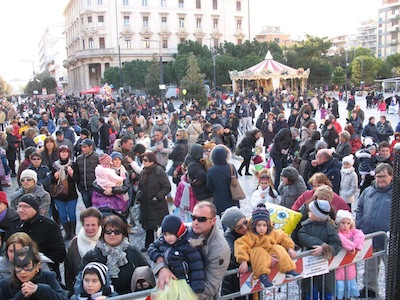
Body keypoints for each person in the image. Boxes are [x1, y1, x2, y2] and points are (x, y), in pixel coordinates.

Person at [156, 202, 230, 300]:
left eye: (201, 219)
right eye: (193, 217)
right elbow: (157, 247)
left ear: (213, 221)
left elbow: (210, 285)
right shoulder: (183, 230)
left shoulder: (220, 248)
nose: (195, 222)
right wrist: (161, 268)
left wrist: (183, 297)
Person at [81, 214, 149, 295]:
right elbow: (80, 280)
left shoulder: (133, 251)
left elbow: (146, 271)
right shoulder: (92, 255)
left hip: (130, 296)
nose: (112, 235)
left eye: (117, 232)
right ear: (103, 234)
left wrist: (144, 282)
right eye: (108, 232)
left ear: (123, 233)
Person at [235, 204, 299, 288]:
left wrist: (290, 248)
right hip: (258, 256)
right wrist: (243, 261)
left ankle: (288, 269)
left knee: (278, 248)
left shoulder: (272, 232)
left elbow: (283, 237)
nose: (262, 228)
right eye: (259, 225)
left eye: (264, 225)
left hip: (270, 251)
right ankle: (263, 276)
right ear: (254, 225)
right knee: (258, 250)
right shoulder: (250, 235)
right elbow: (241, 245)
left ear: (268, 225)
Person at [7, 193, 66, 280]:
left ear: (35, 208)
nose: (21, 210)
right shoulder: (15, 224)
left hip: (44, 275)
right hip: (18, 276)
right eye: (19, 207)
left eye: (25, 207)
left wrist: (38, 261)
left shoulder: (49, 226)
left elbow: (60, 253)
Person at [356, 163, 393, 298]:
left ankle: (393, 291)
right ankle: (370, 289)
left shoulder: (395, 194)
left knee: (392, 269)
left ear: (391, 177)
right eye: (378, 177)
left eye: (383, 176)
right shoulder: (368, 191)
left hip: (389, 239)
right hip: (370, 235)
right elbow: (359, 207)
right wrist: (360, 224)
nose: (380, 179)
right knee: (370, 266)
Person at [147, 215, 205, 293]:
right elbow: (151, 247)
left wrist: (196, 289)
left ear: (179, 231)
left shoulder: (188, 245)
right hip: (168, 283)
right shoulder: (162, 240)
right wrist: (157, 257)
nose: (168, 238)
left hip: (184, 284)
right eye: (165, 234)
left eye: (171, 234)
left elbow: (197, 268)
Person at [297, 200, 342, 300]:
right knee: (310, 292)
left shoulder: (330, 227)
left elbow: (337, 245)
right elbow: (302, 236)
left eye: (311, 212)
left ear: (318, 216)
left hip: (325, 270)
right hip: (309, 269)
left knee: (326, 293)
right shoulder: (307, 225)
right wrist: (321, 244)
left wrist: (324, 249)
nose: (308, 213)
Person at [0, 238, 68, 299]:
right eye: (18, 267)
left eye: (27, 267)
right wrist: (20, 295)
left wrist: (40, 289)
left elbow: (63, 298)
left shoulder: (48, 277)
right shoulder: (6, 284)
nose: (22, 272)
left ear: (37, 266)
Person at [65, 207, 103, 293]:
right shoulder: (74, 244)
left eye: (93, 225)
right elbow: (69, 272)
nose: (90, 228)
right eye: (87, 225)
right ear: (83, 225)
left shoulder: (106, 240)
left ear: (99, 224)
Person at [138, 151, 171, 251]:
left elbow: (167, 187)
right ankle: (148, 245)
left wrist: (158, 196)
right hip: (146, 204)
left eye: (145, 160)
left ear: (152, 161)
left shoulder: (159, 172)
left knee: (159, 226)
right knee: (148, 227)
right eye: (142, 160)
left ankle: (162, 245)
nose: (143, 162)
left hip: (157, 205)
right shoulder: (143, 171)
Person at [51, 145, 79, 241]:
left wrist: (71, 174)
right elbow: (51, 182)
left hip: (71, 194)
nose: (64, 154)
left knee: (72, 214)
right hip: (59, 195)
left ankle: (73, 232)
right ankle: (67, 232)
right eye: (62, 152)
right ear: (59, 153)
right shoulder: (54, 165)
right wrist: (55, 177)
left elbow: (77, 179)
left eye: (66, 152)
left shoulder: (73, 164)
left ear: (68, 153)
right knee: (62, 215)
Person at [335, 210, 365, 300]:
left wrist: (356, 245)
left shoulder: (351, 231)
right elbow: (341, 239)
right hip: (338, 269)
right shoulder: (337, 234)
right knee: (339, 290)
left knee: (349, 290)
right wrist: (352, 247)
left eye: (348, 223)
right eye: (343, 223)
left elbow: (360, 234)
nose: (345, 226)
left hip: (350, 269)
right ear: (338, 223)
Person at [206, 145, 239, 216]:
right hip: (232, 197)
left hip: (219, 199)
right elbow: (236, 178)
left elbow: (209, 186)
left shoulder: (211, 170)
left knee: (223, 219)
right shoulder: (231, 167)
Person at [76, 138, 100, 208]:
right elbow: (78, 174)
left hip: (94, 189)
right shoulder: (79, 158)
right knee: (88, 209)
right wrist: (80, 188)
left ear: (91, 147)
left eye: (85, 147)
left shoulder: (97, 157)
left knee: (96, 209)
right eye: (82, 147)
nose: (83, 149)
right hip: (84, 189)